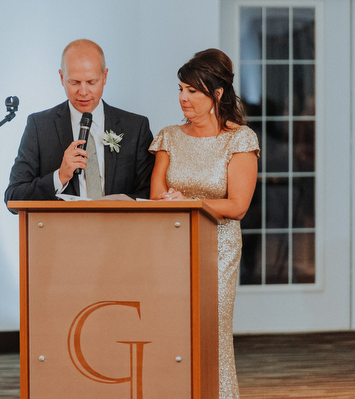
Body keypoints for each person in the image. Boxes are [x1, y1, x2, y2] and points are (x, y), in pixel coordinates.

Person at [149, 48, 260, 398]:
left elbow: (238, 206)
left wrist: (191, 202)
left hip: (219, 250)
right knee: (172, 332)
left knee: (211, 332)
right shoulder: (169, 136)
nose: (183, 98)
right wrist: (170, 201)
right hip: (172, 249)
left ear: (217, 94)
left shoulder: (239, 139)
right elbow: (156, 196)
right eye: (181, 89)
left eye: (193, 91)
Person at [4, 39, 154, 206]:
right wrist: (59, 177)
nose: (83, 92)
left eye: (91, 82)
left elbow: (149, 194)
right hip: (62, 230)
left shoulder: (136, 127)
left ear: (105, 76)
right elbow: (13, 196)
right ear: (62, 77)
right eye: (74, 82)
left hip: (120, 229)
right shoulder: (39, 126)